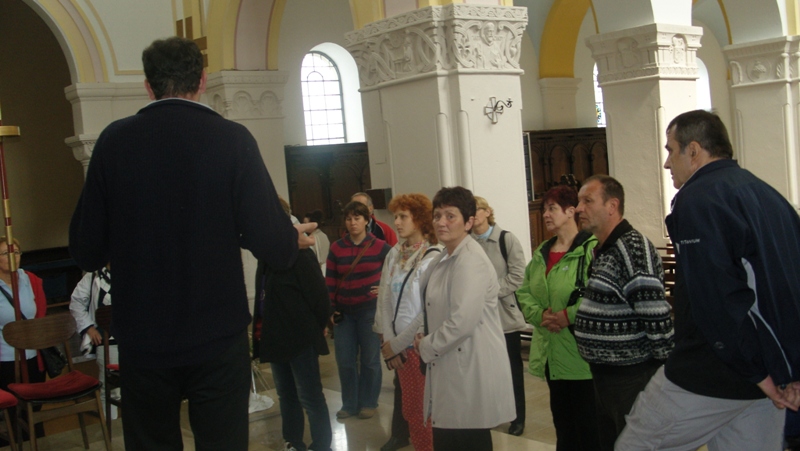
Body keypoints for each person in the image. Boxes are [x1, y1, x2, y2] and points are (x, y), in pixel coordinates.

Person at [69, 36, 315, 450]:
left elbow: (86, 249)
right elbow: (273, 244)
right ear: (202, 80)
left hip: (144, 340)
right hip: (216, 335)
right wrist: (290, 240)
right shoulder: (232, 139)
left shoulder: (114, 141)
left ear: (148, 86)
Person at [616, 110, 800, 450]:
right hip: (769, 372)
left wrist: (757, 373)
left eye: (671, 150)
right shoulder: (769, 196)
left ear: (694, 150)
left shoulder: (699, 199)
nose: (667, 163)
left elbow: (716, 298)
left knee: (635, 445)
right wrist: (789, 371)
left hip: (714, 370)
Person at [572, 175, 674, 451]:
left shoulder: (633, 248)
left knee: (635, 445)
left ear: (612, 206)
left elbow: (656, 317)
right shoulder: (604, 248)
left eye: (587, 201)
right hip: (606, 376)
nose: (579, 209)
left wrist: (663, 377)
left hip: (631, 378)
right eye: (579, 201)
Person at [413, 186, 515, 451]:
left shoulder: (470, 260)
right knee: (449, 437)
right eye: (437, 216)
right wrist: (424, 332)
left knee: (467, 438)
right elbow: (431, 305)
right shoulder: (444, 256)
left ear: (469, 222)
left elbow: (461, 322)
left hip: (469, 365)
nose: (441, 222)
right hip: (450, 361)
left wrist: (426, 345)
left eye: (450, 216)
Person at [516, 185, 600, 451]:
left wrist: (567, 316)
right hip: (551, 354)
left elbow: (599, 295)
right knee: (564, 428)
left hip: (581, 357)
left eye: (552, 208)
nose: (545, 215)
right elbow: (524, 291)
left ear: (571, 211)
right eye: (544, 209)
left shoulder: (591, 249)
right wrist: (540, 315)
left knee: (589, 431)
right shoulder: (542, 252)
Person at [253, 215, 332, 451]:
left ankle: (321, 445)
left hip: (301, 338)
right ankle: (293, 442)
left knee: (310, 396)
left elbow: (320, 298)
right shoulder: (266, 259)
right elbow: (261, 296)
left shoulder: (301, 256)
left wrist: (319, 325)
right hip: (275, 337)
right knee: (286, 395)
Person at [378, 193, 440, 451]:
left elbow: (426, 311)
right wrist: (389, 341)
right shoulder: (395, 254)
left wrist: (398, 344)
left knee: (427, 412)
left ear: (420, 219)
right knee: (411, 410)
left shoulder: (434, 256)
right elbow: (385, 300)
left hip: (418, 346)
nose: (397, 222)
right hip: (399, 347)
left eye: (403, 216)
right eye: (396, 216)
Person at [325, 201, 390, 420]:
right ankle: (349, 403)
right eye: (349, 219)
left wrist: (385, 288)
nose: (353, 223)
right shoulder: (337, 248)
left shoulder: (380, 246)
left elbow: (394, 271)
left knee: (370, 360)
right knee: (345, 360)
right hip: (344, 312)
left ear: (366, 220)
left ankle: (369, 402)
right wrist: (331, 309)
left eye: (357, 218)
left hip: (369, 311)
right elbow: (330, 280)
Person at [470, 196, 527, 436]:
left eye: (477, 210)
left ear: (487, 212)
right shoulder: (468, 242)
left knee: (512, 370)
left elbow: (518, 275)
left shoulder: (506, 239)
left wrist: (491, 292)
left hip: (503, 315)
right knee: (486, 371)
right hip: (478, 317)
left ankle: (518, 418)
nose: (473, 215)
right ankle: (492, 413)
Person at [0, 237, 46, 444]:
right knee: (11, 410)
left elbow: (40, 314)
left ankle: (36, 443)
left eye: (16, 252)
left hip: (32, 355)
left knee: (33, 408)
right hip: (4, 359)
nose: (13, 257)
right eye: (6, 253)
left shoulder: (31, 280)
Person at [69, 265, 118, 419]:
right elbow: (76, 303)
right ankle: (112, 427)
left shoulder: (134, 270)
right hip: (107, 342)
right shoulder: (93, 276)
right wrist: (89, 328)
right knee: (111, 390)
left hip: (135, 342)